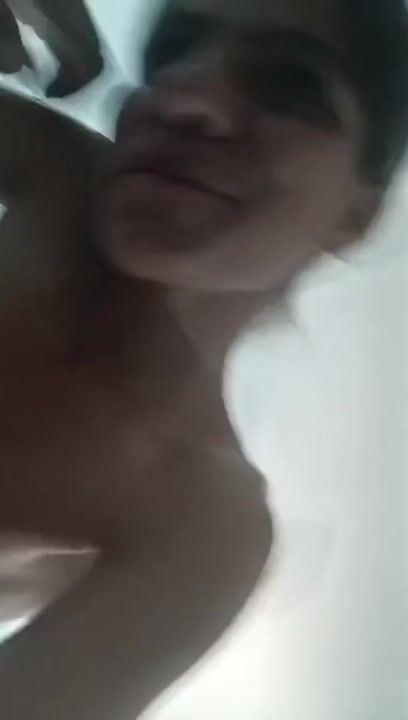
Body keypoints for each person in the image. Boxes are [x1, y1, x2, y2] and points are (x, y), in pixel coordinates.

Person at [0, 0, 407, 718]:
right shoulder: (58, 174)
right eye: (170, 56)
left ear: (355, 215)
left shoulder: (204, 525)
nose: (182, 99)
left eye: (290, 86)